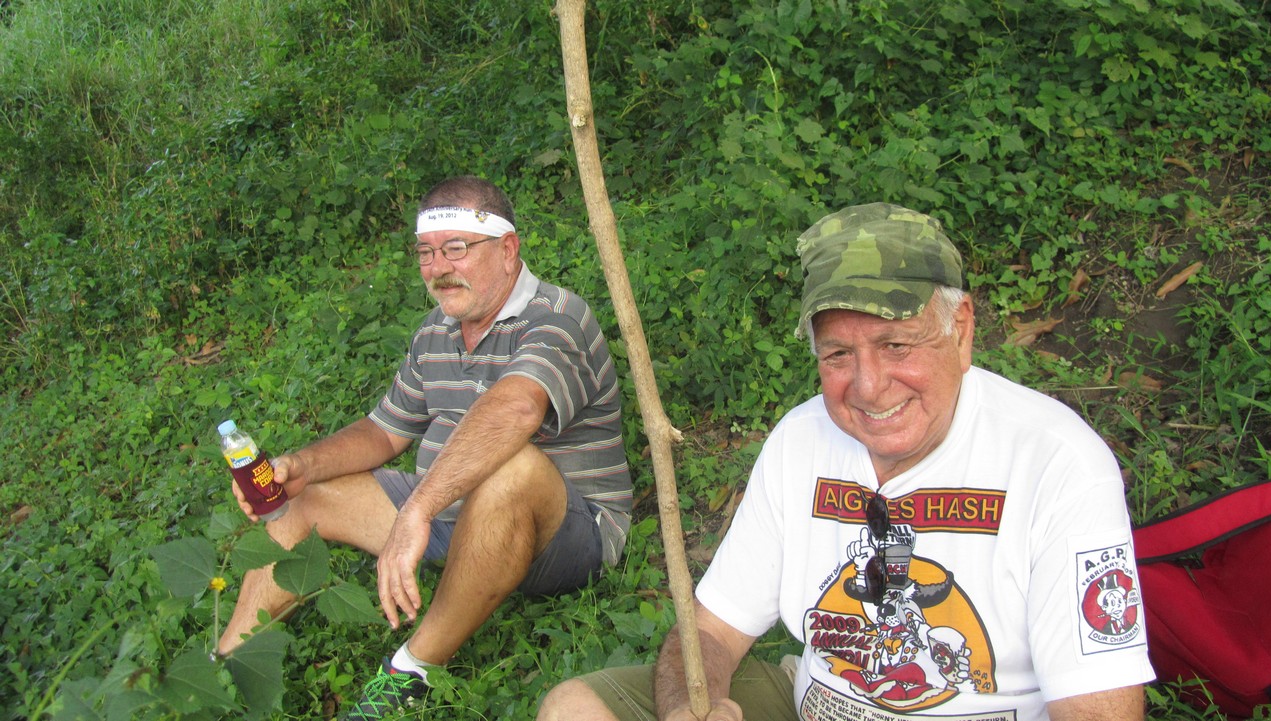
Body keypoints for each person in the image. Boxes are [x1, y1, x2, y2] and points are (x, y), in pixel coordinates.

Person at [538, 203, 1154, 721]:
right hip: (816, 705)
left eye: (896, 345)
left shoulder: (1058, 464)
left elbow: (1099, 710)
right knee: (573, 708)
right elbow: (711, 631)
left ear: (962, 331)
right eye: (837, 354)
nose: (869, 386)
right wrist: (686, 708)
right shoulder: (800, 441)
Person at [218, 175, 632, 720]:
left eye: (457, 249)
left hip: (566, 534)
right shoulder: (435, 331)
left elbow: (518, 408)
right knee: (301, 500)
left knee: (513, 468)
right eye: (426, 253)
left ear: (508, 250)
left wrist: (417, 509)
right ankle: (226, 668)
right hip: (452, 517)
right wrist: (301, 466)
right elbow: (383, 432)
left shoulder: (557, 317)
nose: (438, 268)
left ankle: (409, 672)